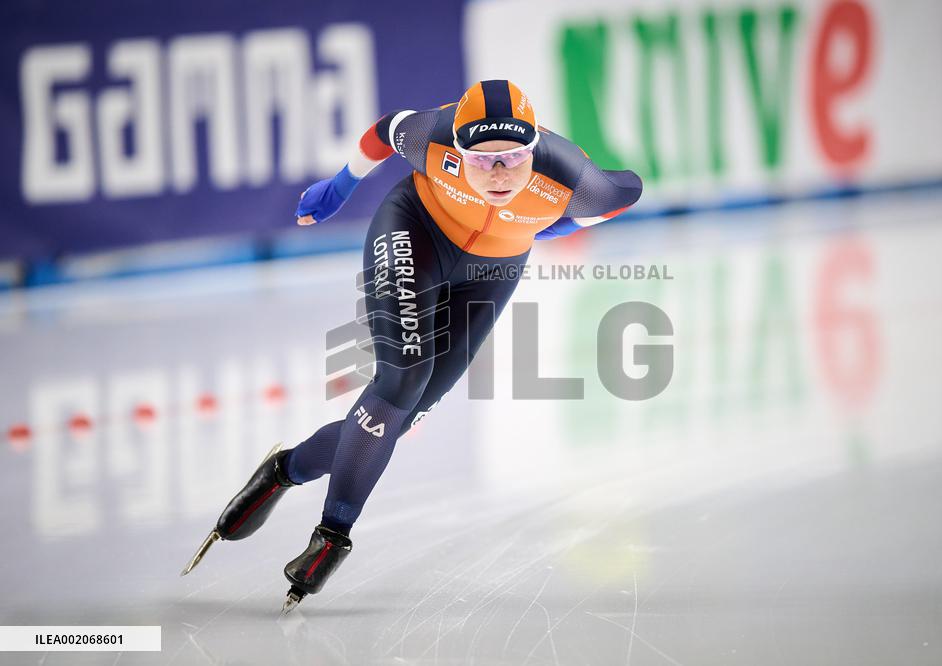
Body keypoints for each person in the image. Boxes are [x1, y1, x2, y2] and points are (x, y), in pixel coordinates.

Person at [181, 80, 643, 612]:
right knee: (402, 379)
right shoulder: (431, 135)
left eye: (513, 159)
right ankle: (331, 537)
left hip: (494, 270)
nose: (498, 174)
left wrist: (559, 225)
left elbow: (625, 191)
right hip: (415, 231)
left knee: (402, 417)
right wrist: (340, 185)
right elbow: (381, 134)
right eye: (481, 160)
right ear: (458, 149)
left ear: (534, 147)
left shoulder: (572, 176)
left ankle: (283, 470)